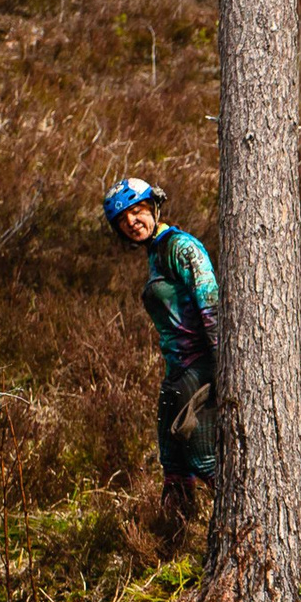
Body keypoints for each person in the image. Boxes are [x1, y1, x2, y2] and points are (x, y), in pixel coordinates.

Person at [103, 177, 218, 515]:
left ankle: (244, 528)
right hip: (176, 371)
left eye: (136, 211)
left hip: (199, 366)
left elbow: (211, 304)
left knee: (203, 457)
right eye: (122, 219)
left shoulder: (181, 247)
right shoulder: (156, 253)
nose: (131, 222)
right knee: (172, 461)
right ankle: (170, 540)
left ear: (153, 207)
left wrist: (224, 365)